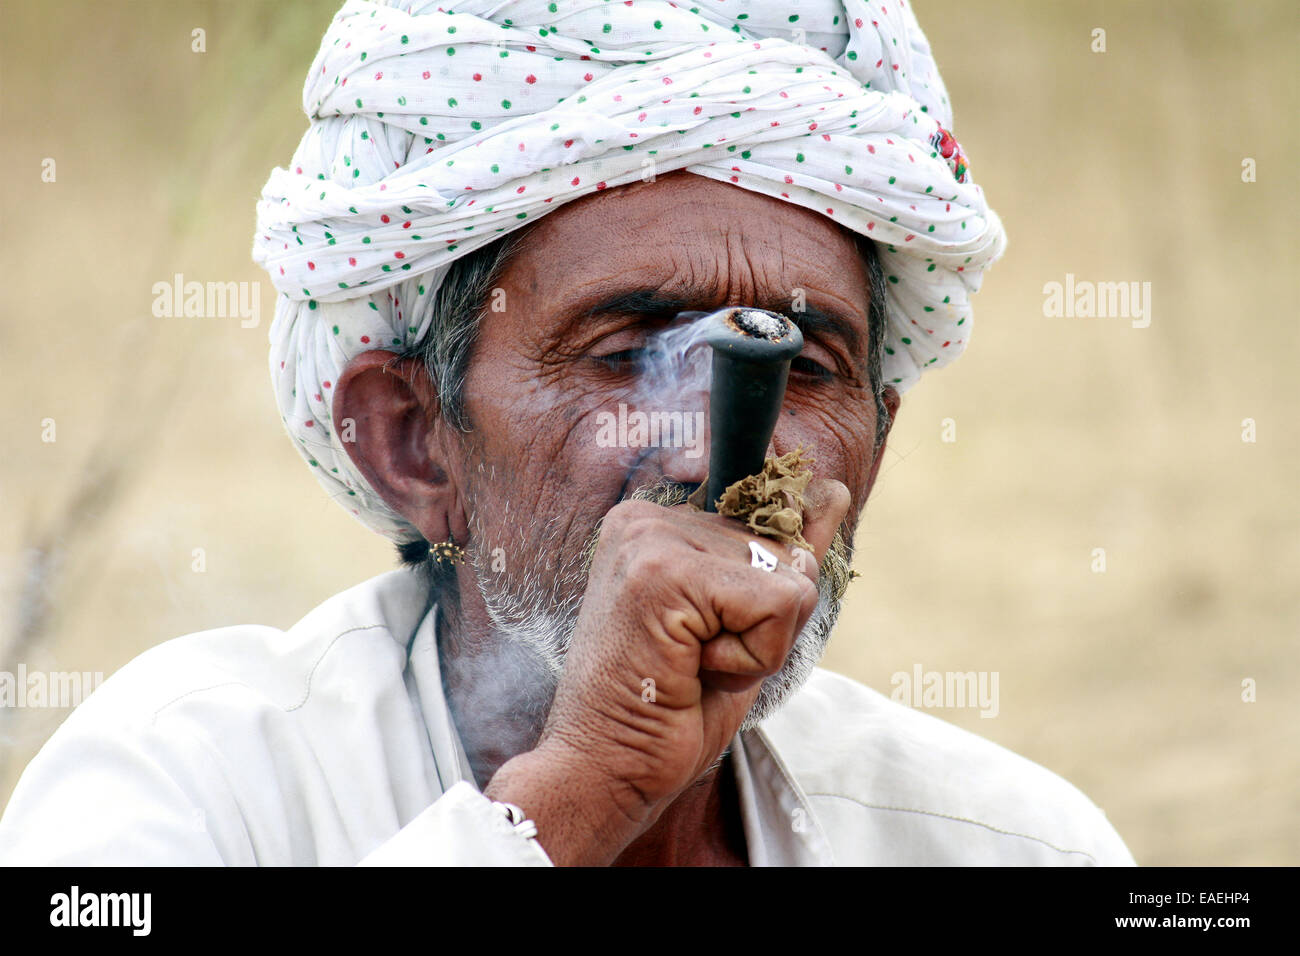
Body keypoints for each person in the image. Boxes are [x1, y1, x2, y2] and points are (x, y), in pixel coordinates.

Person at [0, 0, 1134, 866]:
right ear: (413, 443)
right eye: (622, 347)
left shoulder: (1007, 843)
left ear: (874, 450)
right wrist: (584, 785)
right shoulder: (182, 791)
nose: (717, 448)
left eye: (804, 362)